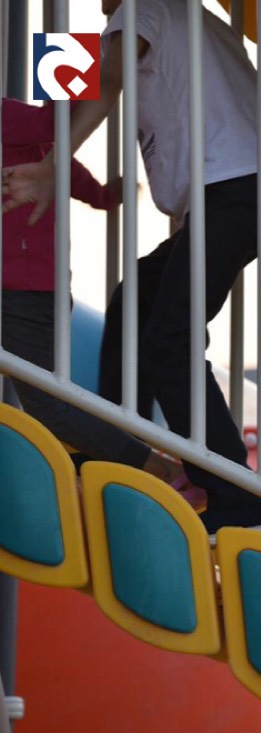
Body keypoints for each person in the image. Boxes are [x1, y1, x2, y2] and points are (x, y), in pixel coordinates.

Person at [2, 0, 261, 540]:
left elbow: (105, 84)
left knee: (169, 341)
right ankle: (135, 445)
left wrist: (54, 166)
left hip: (232, 194)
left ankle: (244, 505)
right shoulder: (199, 25)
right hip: (255, 190)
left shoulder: (141, 9)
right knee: (136, 299)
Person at [1, 96, 200, 497]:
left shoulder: (8, 117)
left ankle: (161, 471)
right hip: (25, 289)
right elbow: (61, 158)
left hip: (24, 293)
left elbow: (56, 127)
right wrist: (104, 195)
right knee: (50, 407)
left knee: (52, 409)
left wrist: (74, 59)